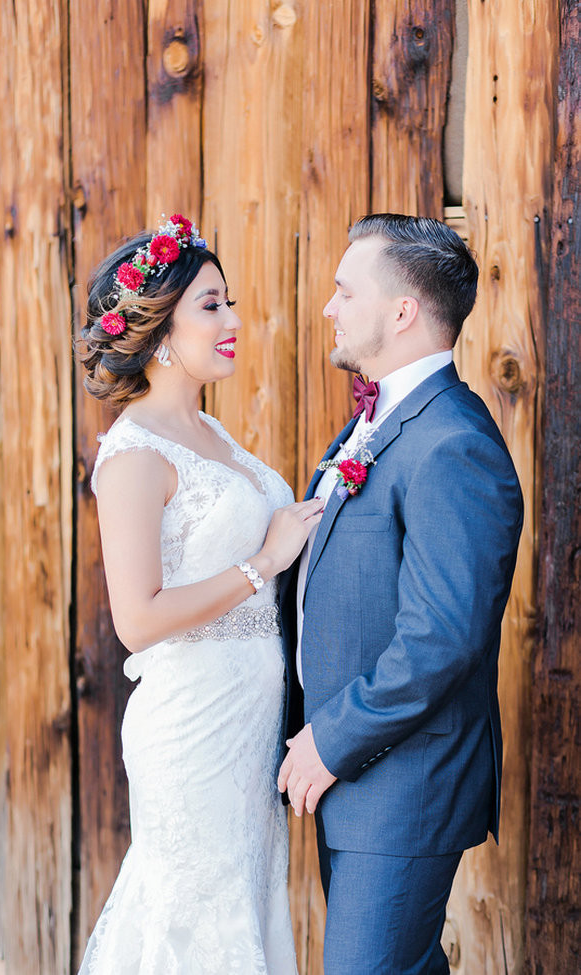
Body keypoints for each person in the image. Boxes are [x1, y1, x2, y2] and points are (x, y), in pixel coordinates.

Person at [278, 213, 524, 974]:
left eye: (345, 290)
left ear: (402, 311)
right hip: (356, 780)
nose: (330, 306)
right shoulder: (381, 421)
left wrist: (332, 735)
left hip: (402, 780)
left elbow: (441, 636)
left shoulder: (452, 442)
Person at [77, 214, 323, 974]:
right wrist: (264, 560)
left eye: (231, 301)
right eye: (210, 305)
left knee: (241, 906)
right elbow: (138, 618)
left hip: (249, 724)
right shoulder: (133, 455)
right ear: (157, 328)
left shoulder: (217, 437)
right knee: (193, 918)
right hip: (191, 725)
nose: (233, 320)